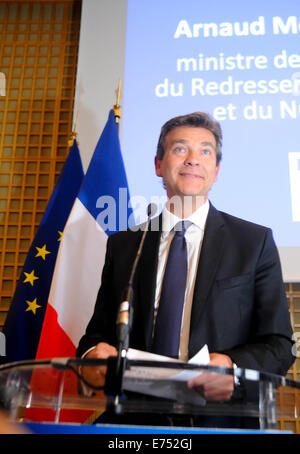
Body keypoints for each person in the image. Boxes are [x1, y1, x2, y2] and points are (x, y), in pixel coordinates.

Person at [77, 112, 294, 424]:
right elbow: (96, 334)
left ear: (216, 170)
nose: (193, 159)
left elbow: (279, 345)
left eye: (205, 151)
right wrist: (93, 356)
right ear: (158, 164)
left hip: (220, 420)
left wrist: (232, 368)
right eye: (180, 149)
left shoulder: (253, 242)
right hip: (135, 421)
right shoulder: (126, 245)